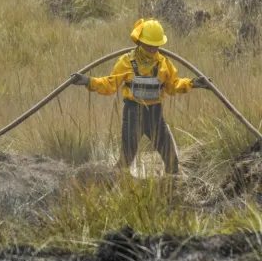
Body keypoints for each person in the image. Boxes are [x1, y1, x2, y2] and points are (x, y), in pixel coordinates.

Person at [70, 18, 211, 175]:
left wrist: (192, 83)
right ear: (140, 41)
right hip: (133, 115)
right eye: (149, 45)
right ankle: (111, 183)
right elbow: (110, 85)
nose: (153, 49)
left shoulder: (164, 63)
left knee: (172, 161)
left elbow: (173, 85)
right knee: (126, 161)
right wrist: (88, 81)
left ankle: (172, 187)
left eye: (156, 45)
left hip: (155, 115)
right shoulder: (126, 62)